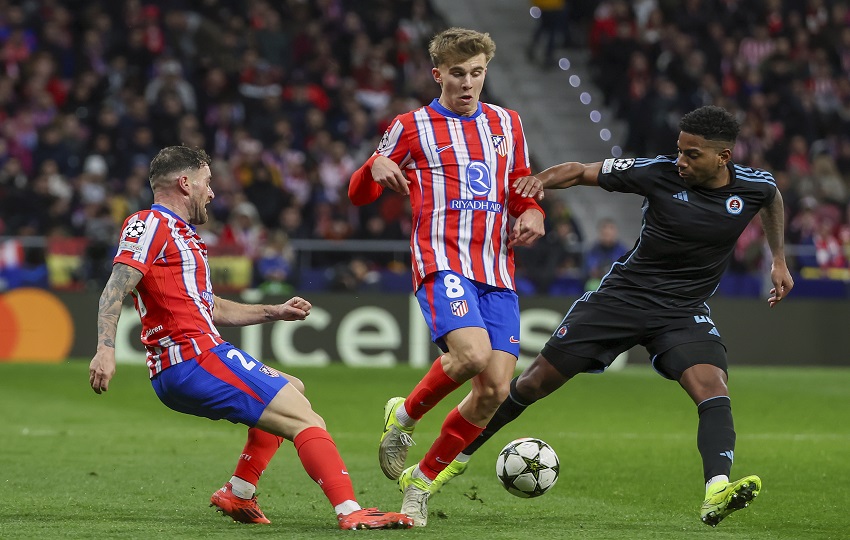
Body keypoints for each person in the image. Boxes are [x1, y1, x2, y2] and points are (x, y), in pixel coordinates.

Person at [431, 105, 795, 527]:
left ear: (723, 158)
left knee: (714, 391)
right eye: (679, 150)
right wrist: (536, 183)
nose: (680, 161)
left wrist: (779, 259)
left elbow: (772, 198)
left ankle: (716, 490)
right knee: (531, 385)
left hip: (682, 312)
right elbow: (580, 171)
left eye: (692, 155)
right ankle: (447, 462)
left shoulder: (753, 186)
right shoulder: (656, 172)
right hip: (620, 301)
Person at [88, 146, 413, 531]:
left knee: (294, 387)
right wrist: (104, 349)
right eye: (207, 183)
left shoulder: (182, 236)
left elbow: (211, 308)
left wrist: (274, 311)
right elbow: (116, 286)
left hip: (190, 361)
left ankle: (239, 492)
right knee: (306, 419)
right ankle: (350, 511)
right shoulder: (150, 224)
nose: (212, 193)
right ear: (185, 183)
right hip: (193, 359)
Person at [348, 28, 546, 527]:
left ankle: (420, 481)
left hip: (497, 269)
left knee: (495, 391)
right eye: (457, 73)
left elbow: (521, 187)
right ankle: (407, 417)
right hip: (441, 259)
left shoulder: (508, 122)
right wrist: (375, 166)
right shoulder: (411, 125)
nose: (468, 82)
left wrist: (533, 213)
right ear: (438, 74)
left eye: (476, 72)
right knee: (472, 355)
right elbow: (359, 194)